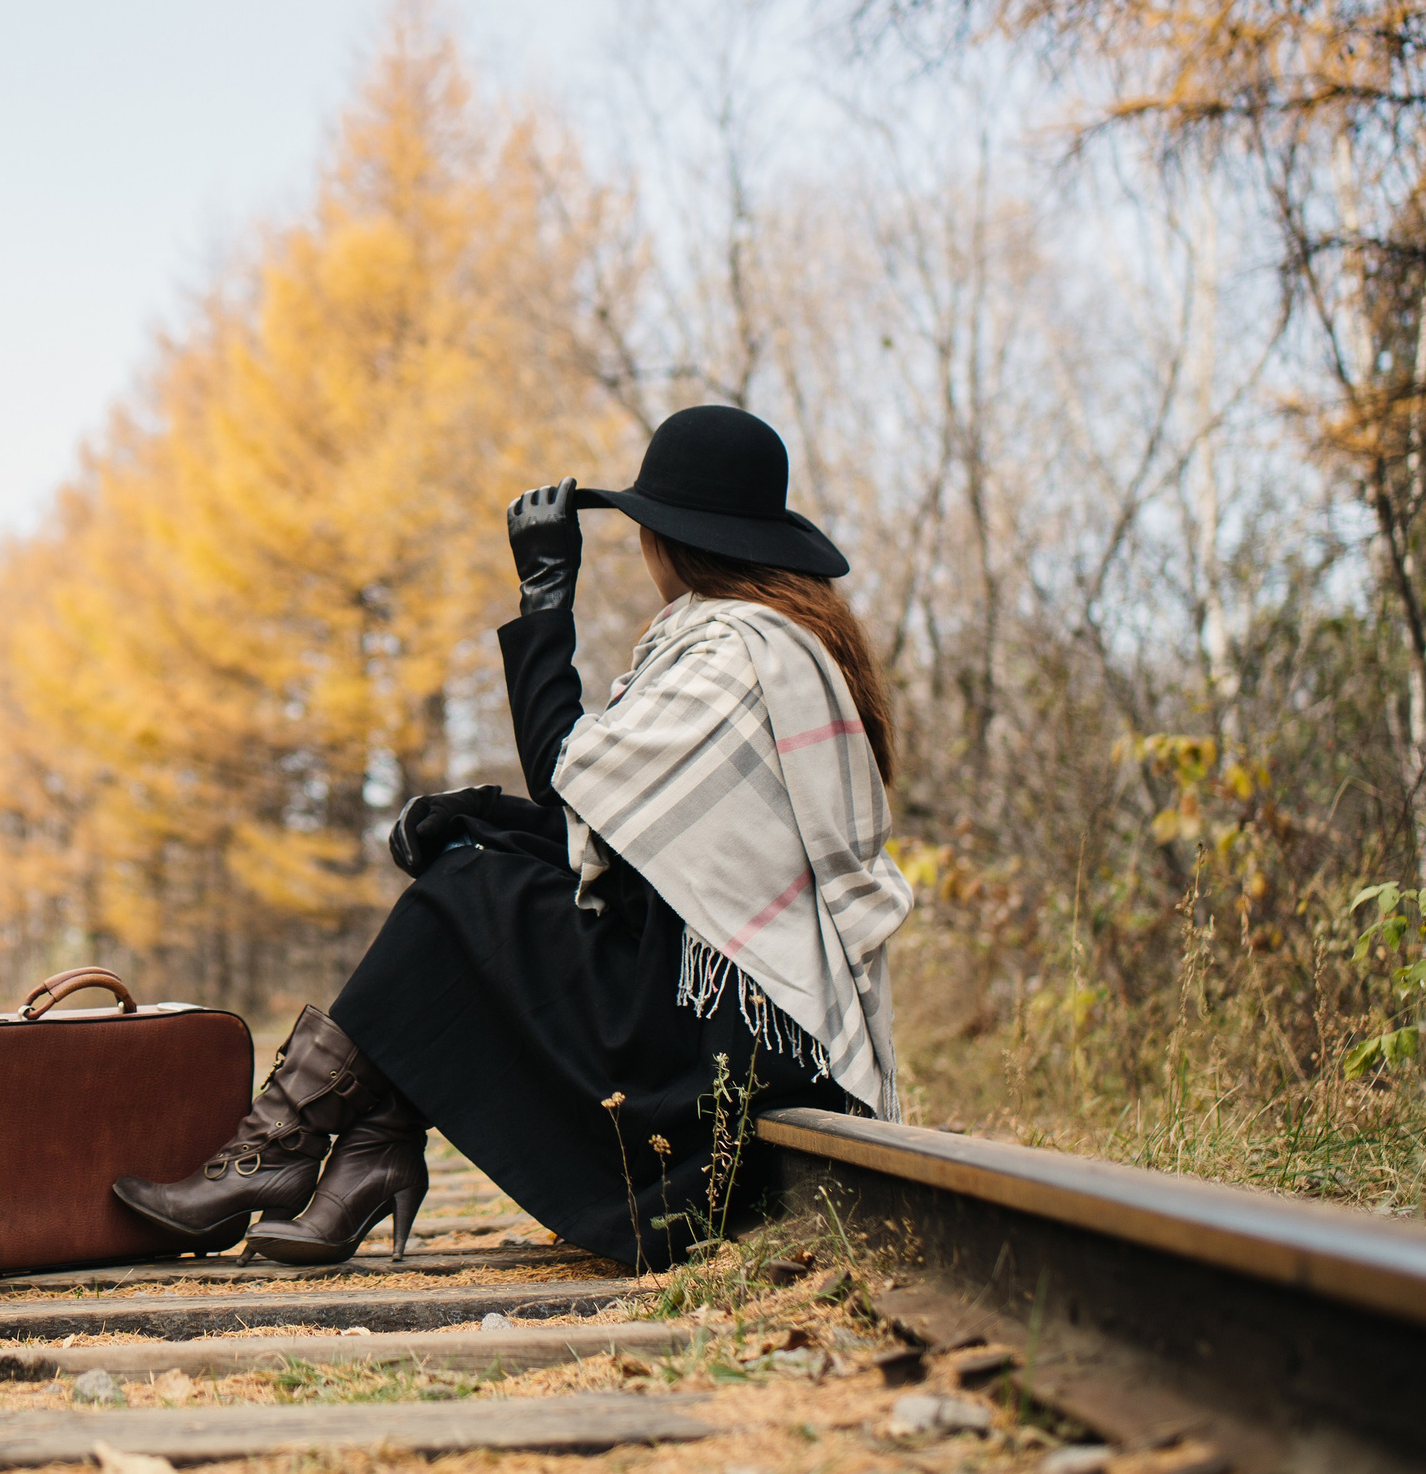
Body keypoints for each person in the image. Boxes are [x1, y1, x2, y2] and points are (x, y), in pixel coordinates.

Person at [112, 404, 911, 1269]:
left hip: (716, 1061)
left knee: (465, 892)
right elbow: (636, 850)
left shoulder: (734, 652)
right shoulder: (774, 640)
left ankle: (282, 1155)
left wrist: (544, 603)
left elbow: (566, 769)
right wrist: (480, 817)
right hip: (717, 1020)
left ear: (670, 541)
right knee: (471, 868)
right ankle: (348, 1155)